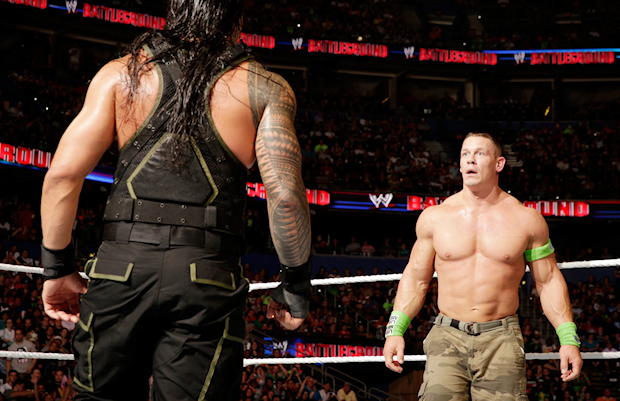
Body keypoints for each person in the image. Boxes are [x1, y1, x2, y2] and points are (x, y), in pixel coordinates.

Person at [39, 1, 311, 400]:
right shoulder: (264, 87)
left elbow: (63, 175)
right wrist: (295, 285)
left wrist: (57, 268)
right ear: (236, 22)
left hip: (120, 269)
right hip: (207, 277)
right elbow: (285, 198)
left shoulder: (121, 75)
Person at [383, 133, 582, 400]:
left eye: (479, 153)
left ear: (499, 164)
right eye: (465, 154)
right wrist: (395, 330)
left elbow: (547, 282)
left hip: (500, 338)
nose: (470, 160)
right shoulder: (435, 218)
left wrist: (568, 338)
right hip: (447, 335)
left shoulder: (527, 220)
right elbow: (416, 278)